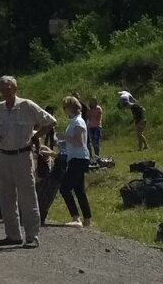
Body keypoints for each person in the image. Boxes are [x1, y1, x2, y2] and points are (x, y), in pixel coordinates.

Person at [0, 75, 56, 248]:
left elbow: (50, 122)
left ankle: (32, 236)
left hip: (22, 155)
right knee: (6, 197)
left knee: (27, 196)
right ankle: (12, 235)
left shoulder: (26, 105)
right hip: (4, 155)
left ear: (15, 88)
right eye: (3, 89)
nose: (6, 92)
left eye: (9, 88)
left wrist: (36, 136)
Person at [54, 95, 92, 227]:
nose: (64, 111)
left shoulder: (77, 122)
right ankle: (86, 218)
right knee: (78, 189)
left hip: (78, 158)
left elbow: (79, 141)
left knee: (64, 187)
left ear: (70, 107)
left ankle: (76, 217)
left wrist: (63, 136)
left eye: (65, 108)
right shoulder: (76, 121)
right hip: (77, 158)